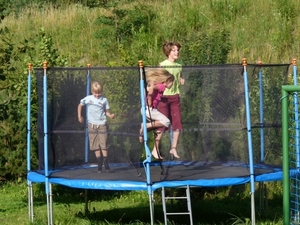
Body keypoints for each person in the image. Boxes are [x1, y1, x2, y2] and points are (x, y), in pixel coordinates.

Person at [78, 81, 115, 173]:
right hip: (92, 125)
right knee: (95, 145)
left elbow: (106, 111)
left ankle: (106, 162)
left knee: (104, 143)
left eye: (99, 93)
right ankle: (99, 162)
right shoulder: (88, 99)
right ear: (92, 91)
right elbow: (80, 105)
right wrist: (79, 116)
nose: (97, 95)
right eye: (95, 93)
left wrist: (110, 115)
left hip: (102, 124)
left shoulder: (104, 100)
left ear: (101, 91)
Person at [156, 41, 184, 159]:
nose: (176, 52)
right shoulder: (163, 65)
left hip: (175, 97)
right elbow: (157, 79)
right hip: (164, 98)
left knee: (177, 123)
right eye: (174, 50)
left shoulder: (179, 65)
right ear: (168, 52)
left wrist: (182, 79)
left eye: (177, 50)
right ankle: (156, 148)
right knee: (163, 124)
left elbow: (179, 77)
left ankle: (173, 148)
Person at [139, 68, 175, 159]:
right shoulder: (162, 86)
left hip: (146, 109)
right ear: (167, 81)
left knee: (159, 126)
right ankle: (145, 126)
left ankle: (154, 148)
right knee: (166, 121)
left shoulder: (159, 85)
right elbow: (151, 89)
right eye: (172, 82)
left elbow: (151, 89)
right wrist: (150, 101)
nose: (172, 84)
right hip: (149, 109)